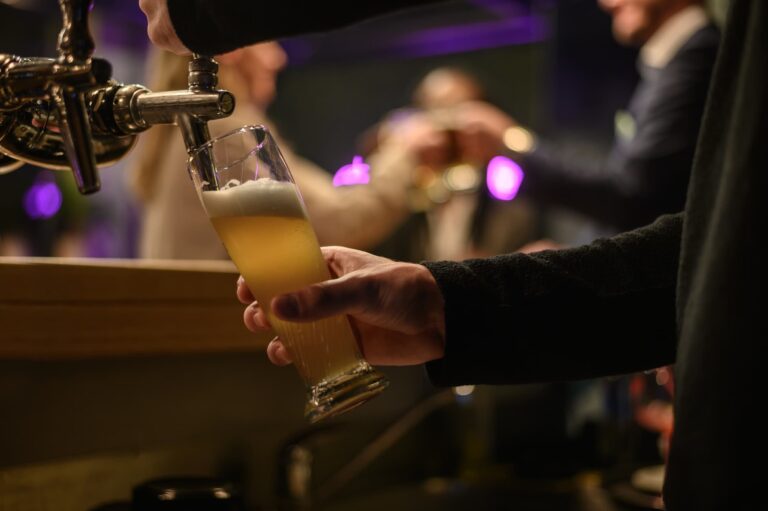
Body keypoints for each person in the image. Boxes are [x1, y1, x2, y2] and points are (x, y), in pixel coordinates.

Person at [140, 0, 767, 510]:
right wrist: (442, 300)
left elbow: (683, 240)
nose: (276, 51)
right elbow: (704, 246)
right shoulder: (223, 134)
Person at [454, 0, 719, 237]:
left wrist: (510, 141)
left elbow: (632, 197)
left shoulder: (697, 58)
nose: (607, 4)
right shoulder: (679, 62)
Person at [130, 43, 420, 259]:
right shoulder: (222, 131)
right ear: (229, 48)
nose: (279, 58)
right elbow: (336, 225)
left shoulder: (185, 130)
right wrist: (405, 149)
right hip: (222, 334)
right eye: (265, 40)